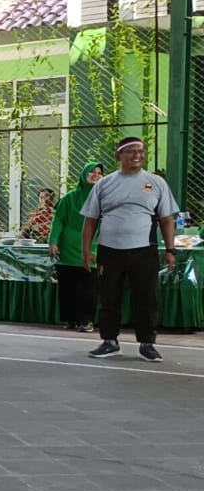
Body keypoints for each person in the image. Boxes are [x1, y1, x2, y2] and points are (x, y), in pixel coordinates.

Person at [81, 137, 179, 362]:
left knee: (147, 298)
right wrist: (86, 250)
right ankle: (109, 342)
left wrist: (170, 249)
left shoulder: (156, 182)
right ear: (118, 155)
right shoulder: (104, 184)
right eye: (131, 152)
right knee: (109, 298)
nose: (137, 156)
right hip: (109, 250)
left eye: (140, 152)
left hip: (143, 251)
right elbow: (90, 220)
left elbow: (167, 219)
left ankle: (147, 344)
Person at [49, 162, 103, 332]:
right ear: (83, 175)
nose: (95, 175)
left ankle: (86, 320)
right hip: (68, 247)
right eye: (91, 172)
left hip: (92, 246)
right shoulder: (70, 197)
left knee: (89, 287)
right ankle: (71, 319)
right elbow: (58, 220)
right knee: (67, 286)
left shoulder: (104, 198)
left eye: (99, 173)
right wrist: (53, 241)